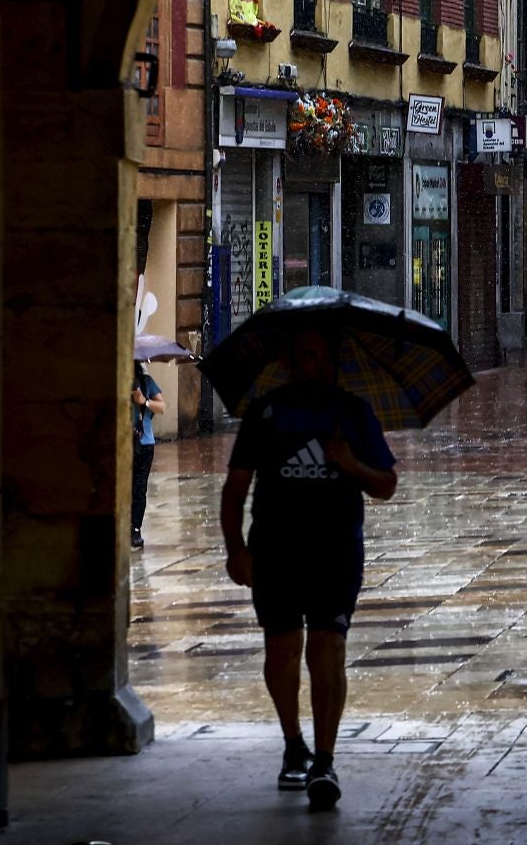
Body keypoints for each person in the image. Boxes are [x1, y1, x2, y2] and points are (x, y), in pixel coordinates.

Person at [220, 328, 399, 811]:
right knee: (281, 652)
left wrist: (348, 462)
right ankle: (293, 743)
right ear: (290, 361)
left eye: (319, 357)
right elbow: (235, 487)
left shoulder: (354, 413)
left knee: (327, 649)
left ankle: (324, 758)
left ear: (333, 362)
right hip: (274, 552)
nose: (311, 365)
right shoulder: (264, 413)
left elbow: (386, 485)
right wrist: (236, 548)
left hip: (335, 552)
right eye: (303, 356)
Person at [129, 365, 165, 550]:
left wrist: (144, 401)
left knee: (139, 488)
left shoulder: (146, 382)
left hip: (143, 444)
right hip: (121, 444)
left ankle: (135, 529)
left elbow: (162, 407)